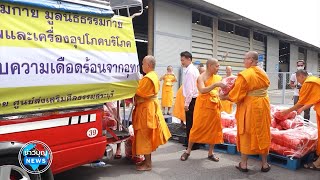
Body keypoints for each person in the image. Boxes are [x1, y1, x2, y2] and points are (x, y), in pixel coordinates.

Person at [220, 51, 271, 173]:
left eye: (245, 59)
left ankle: (243, 164)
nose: (243, 61)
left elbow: (236, 94)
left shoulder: (245, 74)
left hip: (250, 107)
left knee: (246, 133)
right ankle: (264, 164)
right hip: (263, 105)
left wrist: (224, 97)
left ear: (252, 60)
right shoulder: (262, 72)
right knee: (263, 131)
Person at [180, 58, 226, 161]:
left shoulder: (218, 77)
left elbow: (219, 93)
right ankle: (188, 151)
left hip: (214, 107)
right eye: (217, 66)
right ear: (210, 66)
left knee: (214, 130)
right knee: (196, 128)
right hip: (203, 107)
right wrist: (215, 85)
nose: (219, 68)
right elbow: (202, 90)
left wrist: (226, 93)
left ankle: (210, 153)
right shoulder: (201, 77)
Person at [132, 55, 172, 171]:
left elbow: (138, 92)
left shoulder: (148, 78)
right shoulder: (154, 75)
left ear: (148, 65)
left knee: (144, 135)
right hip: (149, 107)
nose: (142, 66)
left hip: (146, 110)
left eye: (143, 64)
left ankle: (148, 164)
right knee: (145, 135)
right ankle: (146, 160)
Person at [281, 70, 320, 170]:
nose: (298, 82)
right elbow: (315, 99)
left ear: (301, 76)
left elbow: (300, 102)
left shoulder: (308, 83)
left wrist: (286, 111)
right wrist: (301, 109)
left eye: (298, 79)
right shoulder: (315, 80)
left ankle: (317, 163)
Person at [180, 51, 200, 149]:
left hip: (192, 100)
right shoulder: (191, 70)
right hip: (194, 99)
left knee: (190, 122)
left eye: (183, 60)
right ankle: (191, 142)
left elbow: (190, 90)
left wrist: (186, 104)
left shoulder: (190, 71)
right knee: (192, 122)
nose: (181, 62)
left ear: (189, 59)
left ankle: (191, 144)